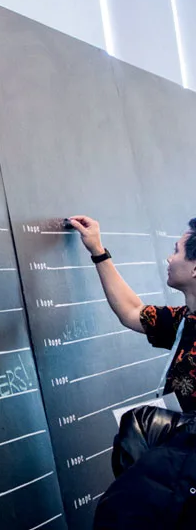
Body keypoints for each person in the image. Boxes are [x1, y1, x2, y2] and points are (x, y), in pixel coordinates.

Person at [69, 215, 196, 528]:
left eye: (177, 250)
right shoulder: (185, 321)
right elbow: (132, 312)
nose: (169, 257)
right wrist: (98, 251)